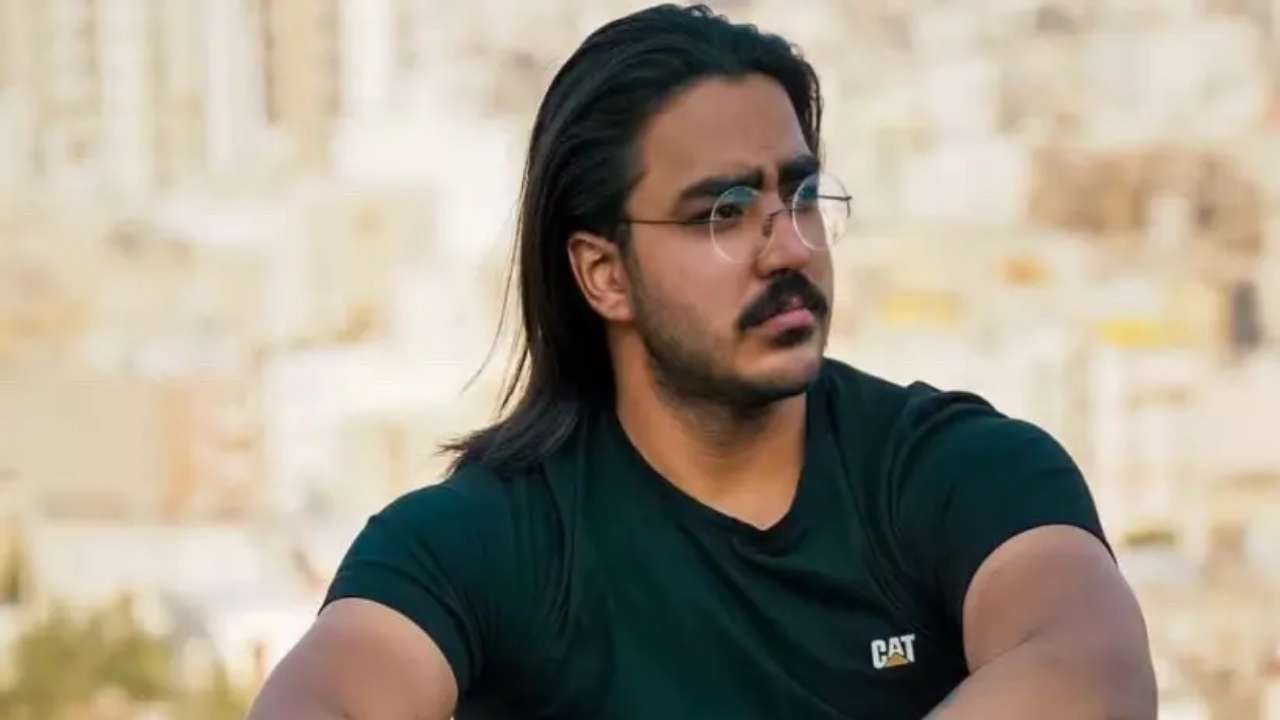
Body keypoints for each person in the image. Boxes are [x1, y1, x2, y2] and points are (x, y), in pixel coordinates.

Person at [248, 5, 1156, 718]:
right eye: (722, 212)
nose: (787, 247)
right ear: (604, 274)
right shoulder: (490, 540)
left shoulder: (954, 469)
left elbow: (1090, 670)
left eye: (800, 195)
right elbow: (325, 699)